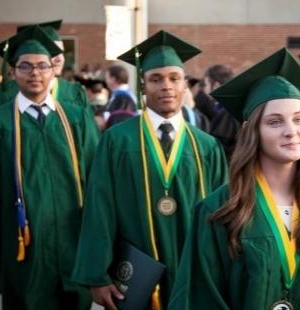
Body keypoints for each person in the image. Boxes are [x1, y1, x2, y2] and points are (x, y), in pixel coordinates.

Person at [169, 48, 300, 309]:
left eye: (299, 119)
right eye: (275, 122)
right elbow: (201, 298)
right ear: (253, 132)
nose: (291, 131)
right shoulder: (218, 211)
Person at [71, 30, 228, 310]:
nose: (166, 86)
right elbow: (99, 207)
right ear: (143, 86)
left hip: (195, 274)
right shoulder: (117, 141)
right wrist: (96, 275)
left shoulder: (207, 146)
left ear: (185, 85)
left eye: (174, 78)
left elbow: (223, 214)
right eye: (155, 79)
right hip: (134, 276)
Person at [0, 26, 99, 310]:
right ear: (12, 73)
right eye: (26, 66)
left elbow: (98, 183)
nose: (35, 73)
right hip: (24, 244)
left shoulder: (78, 119)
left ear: (53, 70)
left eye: (42, 66)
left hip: (75, 243)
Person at [0, 20, 92, 115]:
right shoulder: (4, 94)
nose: (59, 58)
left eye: (61, 52)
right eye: (52, 52)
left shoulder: (75, 92)